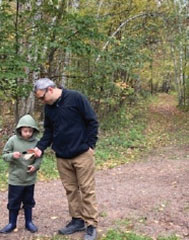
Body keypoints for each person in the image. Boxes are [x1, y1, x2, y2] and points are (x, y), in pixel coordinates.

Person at [32, 78, 98, 240]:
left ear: (51, 89)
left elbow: (92, 121)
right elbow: (49, 131)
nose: (41, 101)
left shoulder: (76, 97)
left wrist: (90, 145)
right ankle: (77, 220)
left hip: (82, 154)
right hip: (62, 156)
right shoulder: (49, 109)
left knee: (86, 190)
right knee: (71, 190)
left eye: (42, 97)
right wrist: (40, 147)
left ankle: (91, 224)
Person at [0, 114, 42, 234]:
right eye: (25, 131)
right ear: (20, 130)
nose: (28, 133)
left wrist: (35, 166)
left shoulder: (37, 142)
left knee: (28, 201)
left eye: (30, 131)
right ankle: (11, 223)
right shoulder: (13, 140)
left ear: (34, 130)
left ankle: (29, 222)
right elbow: (4, 155)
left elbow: (39, 157)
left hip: (29, 179)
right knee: (14, 202)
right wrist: (12, 155)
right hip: (15, 179)